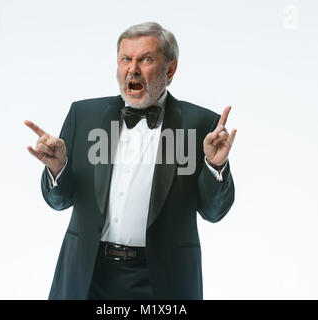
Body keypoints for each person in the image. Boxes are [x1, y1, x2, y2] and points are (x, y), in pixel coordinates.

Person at [25, 22, 236, 300]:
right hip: (88, 275)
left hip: (162, 281)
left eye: (145, 59)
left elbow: (213, 212)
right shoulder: (84, 116)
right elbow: (59, 201)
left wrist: (215, 167)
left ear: (170, 69)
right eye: (126, 59)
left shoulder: (200, 125)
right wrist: (57, 169)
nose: (132, 69)